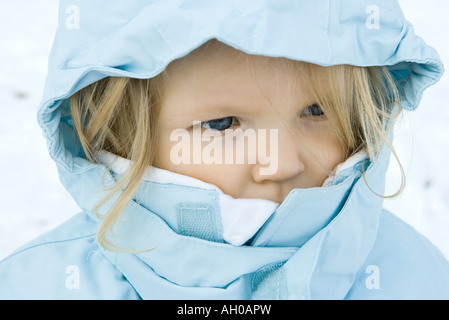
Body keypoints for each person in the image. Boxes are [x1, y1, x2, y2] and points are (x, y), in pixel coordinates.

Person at [1, 0, 448, 299]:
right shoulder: (41, 286)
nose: (283, 163)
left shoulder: (414, 278)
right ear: (121, 133)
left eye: (316, 111)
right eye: (221, 124)